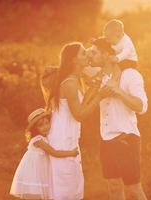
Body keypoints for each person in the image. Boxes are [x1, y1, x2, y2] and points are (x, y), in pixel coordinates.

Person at [46, 42, 109, 200]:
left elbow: (80, 103)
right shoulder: (70, 83)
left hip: (69, 137)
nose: (87, 55)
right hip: (62, 139)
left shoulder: (74, 79)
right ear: (74, 60)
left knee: (72, 186)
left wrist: (95, 88)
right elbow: (79, 115)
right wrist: (100, 97)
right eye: (83, 53)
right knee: (64, 189)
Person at [88, 38, 148, 200]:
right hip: (106, 140)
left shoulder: (130, 75)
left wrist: (118, 91)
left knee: (133, 189)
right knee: (113, 187)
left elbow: (141, 107)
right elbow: (75, 65)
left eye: (94, 52)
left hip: (126, 139)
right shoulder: (99, 77)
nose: (90, 55)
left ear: (107, 55)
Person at [10, 108, 79, 200]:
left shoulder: (45, 138)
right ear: (35, 129)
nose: (45, 126)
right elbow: (54, 152)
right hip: (35, 171)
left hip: (41, 169)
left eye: (47, 123)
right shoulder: (38, 140)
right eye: (41, 125)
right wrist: (71, 153)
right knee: (37, 193)